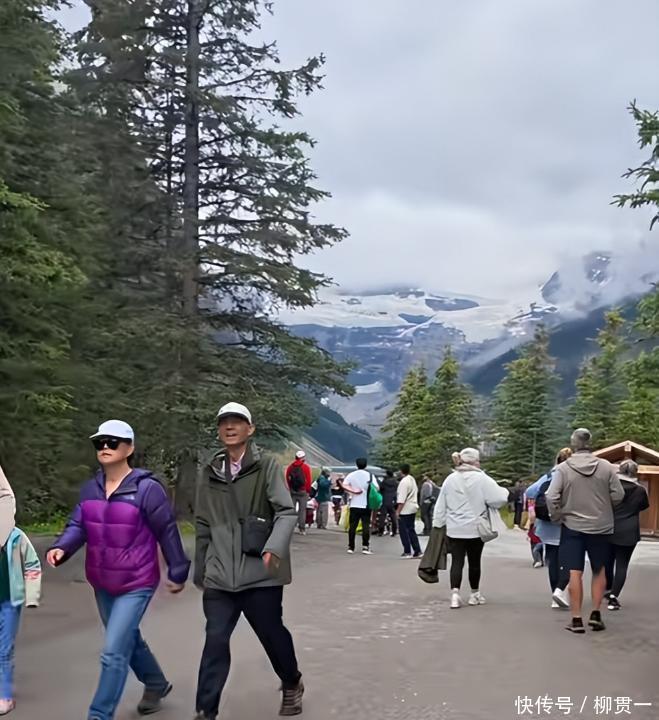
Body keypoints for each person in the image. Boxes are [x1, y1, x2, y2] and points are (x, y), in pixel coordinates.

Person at [48, 420, 190, 720]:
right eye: (99, 442)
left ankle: (99, 715)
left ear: (129, 448)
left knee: (113, 651)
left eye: (113, 442)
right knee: (128, 638)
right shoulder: (91, 489)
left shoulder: (147, 489)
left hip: (137, 581)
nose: (105, 447)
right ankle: (156, 683)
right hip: (102, 581)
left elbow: (167, 531)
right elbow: (78, 525)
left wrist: (178, 571)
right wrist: (61, 548)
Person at [194, 403, 303, 719]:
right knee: (215, 641)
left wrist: (274, 549)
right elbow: (203, 522)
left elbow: (286, 512)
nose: (229, 427)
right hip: (220, 575)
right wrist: (201, 567)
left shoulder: (266, 466)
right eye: (224, 422)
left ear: (250, 429)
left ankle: (291, 681)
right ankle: (205, 711)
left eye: (237, 421)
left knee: (271, 634)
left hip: (260, 572)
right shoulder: (210, 471)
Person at [546, 428, 624, 634]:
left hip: (572, 526)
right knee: (600, 570)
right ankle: (596, 614)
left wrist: (557, 516)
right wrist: (605, 508)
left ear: (573, 444)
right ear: (590, 443)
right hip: (601, 526)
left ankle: (577, 619)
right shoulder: (606, 467)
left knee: (574, 572)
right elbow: (619, 494)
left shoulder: (563, 468)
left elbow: (551, 496)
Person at [433, 448, 509, 609]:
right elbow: (499, 499)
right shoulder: (482, 478)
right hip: (475, 528)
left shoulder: (450, 479)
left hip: (454, 528)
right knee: (474, 562)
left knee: (457, 561)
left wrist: (438, 523)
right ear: (475, 461)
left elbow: (441, 504)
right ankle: (474, 594)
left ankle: (455, 594)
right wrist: (504, 491)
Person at [0, 464, 41, 716]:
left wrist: (31, 595)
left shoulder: (15, 537)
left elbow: (33, 565)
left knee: (3, 650)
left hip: (9, 601)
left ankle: (4, 696)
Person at [525, 448, 573, 609]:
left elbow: (530, 491)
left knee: (552, 561)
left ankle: (555, 594)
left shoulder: (549, 476)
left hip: (548, 525)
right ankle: (561, 590)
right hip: (568, 523)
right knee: (569, 559)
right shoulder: (574, 475)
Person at [605, 460, 649, 612]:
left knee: (607, 562)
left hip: (609, 527)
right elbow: (644, 506)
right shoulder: (640, 490)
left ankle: (607, 588)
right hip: (629, 530)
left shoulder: (611, 487)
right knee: (622, 565)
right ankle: (613, 596)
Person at [342, 458, 378, 555]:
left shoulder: (351, 475)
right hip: (366, 504)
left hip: (354, 504)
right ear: (366, 465)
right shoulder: (370, 475)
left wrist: (353, 491)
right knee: (366, 525)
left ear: (356, 464)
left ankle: (351, 547)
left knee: (352, 526)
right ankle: (365, 547)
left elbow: (344, 485)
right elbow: (377, 488)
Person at [397, 464, 421, 559]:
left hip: (405, 509)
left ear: (401, 471)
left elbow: (401, 499)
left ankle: (407, 551)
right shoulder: (411, 479)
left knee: (404, 530)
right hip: (413, 506)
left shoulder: (403, 482)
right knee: (411, 529)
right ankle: (417, 550)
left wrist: (398, 511)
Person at [285, 450, 312, 536]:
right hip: (303, 491)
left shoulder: (290, 467)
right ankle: (302, 529)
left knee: (291, 510)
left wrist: (290, 488)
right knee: (302, 511)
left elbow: (287, 478)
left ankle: (289, 528)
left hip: (293, 491)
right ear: (303, 458)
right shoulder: (306, 467)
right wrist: (308, 491)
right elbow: (308, 480)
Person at [377, 469, 398, 537]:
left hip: (385, 499)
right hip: (392, 500)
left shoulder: (384, 482)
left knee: (382, 516)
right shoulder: (396, 482)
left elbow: (380, 489)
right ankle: (394, 530)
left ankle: (381, 531)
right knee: (393, 516)